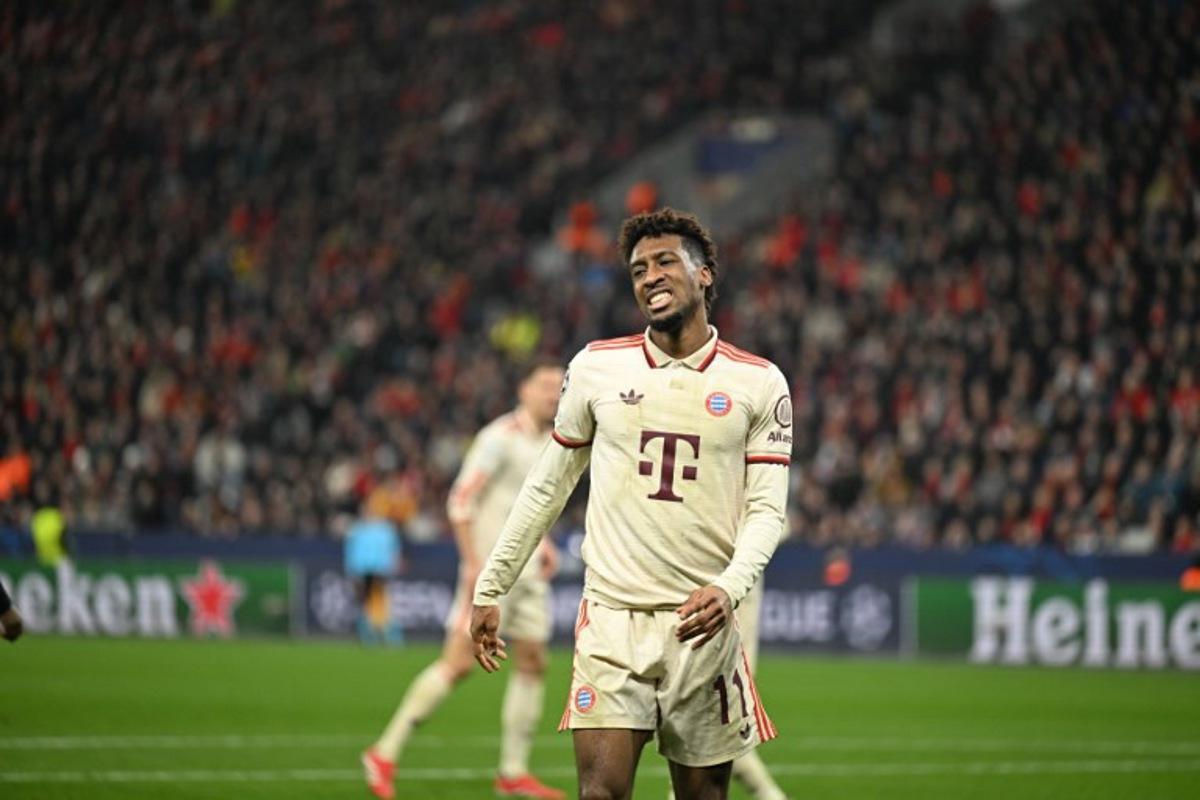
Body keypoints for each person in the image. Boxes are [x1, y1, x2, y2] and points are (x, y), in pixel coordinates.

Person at [471, 208, 792, 800]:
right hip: (611, 621)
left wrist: (728, 588)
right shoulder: (595, 367)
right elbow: (547, 485)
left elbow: (767, 511)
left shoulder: (760, 383)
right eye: (638, 269)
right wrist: (492, 586)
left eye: (665, 261)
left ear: (704, 275)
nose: (649, 276)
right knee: (600, 793)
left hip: (702, 625)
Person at [363, 359, 569, 800]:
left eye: (560, 386)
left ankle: (512, 773)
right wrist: (474, 563)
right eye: (545, 385)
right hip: (492, 573)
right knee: (457, 664)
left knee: (533, 661)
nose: (554, 393)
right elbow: (460, 500)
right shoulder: (498, 440)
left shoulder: (554, 441)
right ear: (523, 390)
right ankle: (384, 752)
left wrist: (546, 544)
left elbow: (530, 503)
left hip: (529, 571)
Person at [344, 490, 403, 645]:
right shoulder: (358, 529)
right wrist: (352, 570)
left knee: (380, 602)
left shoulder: (385, 529)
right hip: (363, 570)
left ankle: (387, 635)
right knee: (366, 603)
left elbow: (393, 550)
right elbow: (351, 551)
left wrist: (393, 564)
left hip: (380, 570)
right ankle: (369, 634)